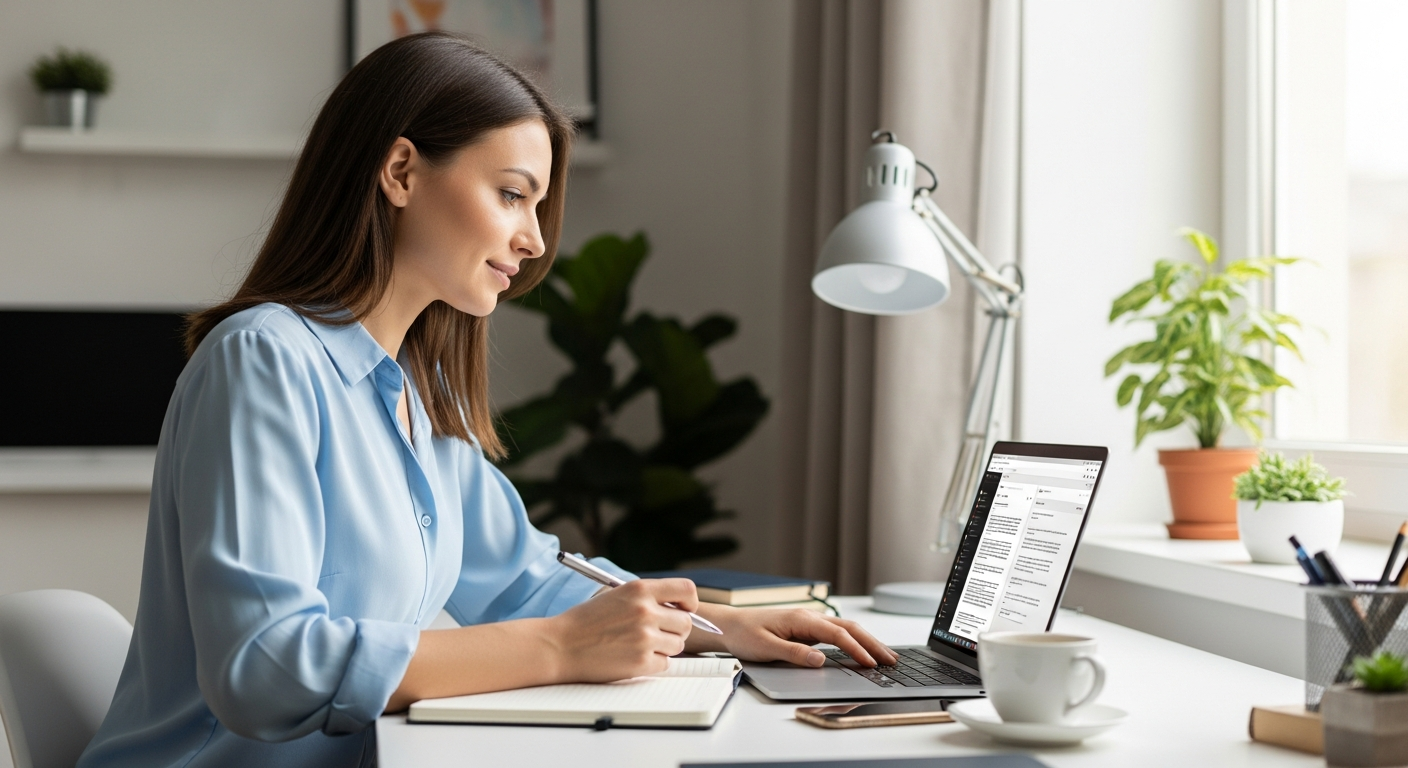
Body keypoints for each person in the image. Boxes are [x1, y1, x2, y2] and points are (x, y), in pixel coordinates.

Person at [77, 33, 894, 768]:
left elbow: (526, 578)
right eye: (512, 194)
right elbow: (265, 668)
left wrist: (715, 633)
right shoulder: (264, 359)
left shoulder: (416, 391)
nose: (536, 238)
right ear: (400, 172)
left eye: (537, 205)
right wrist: (559, 649)